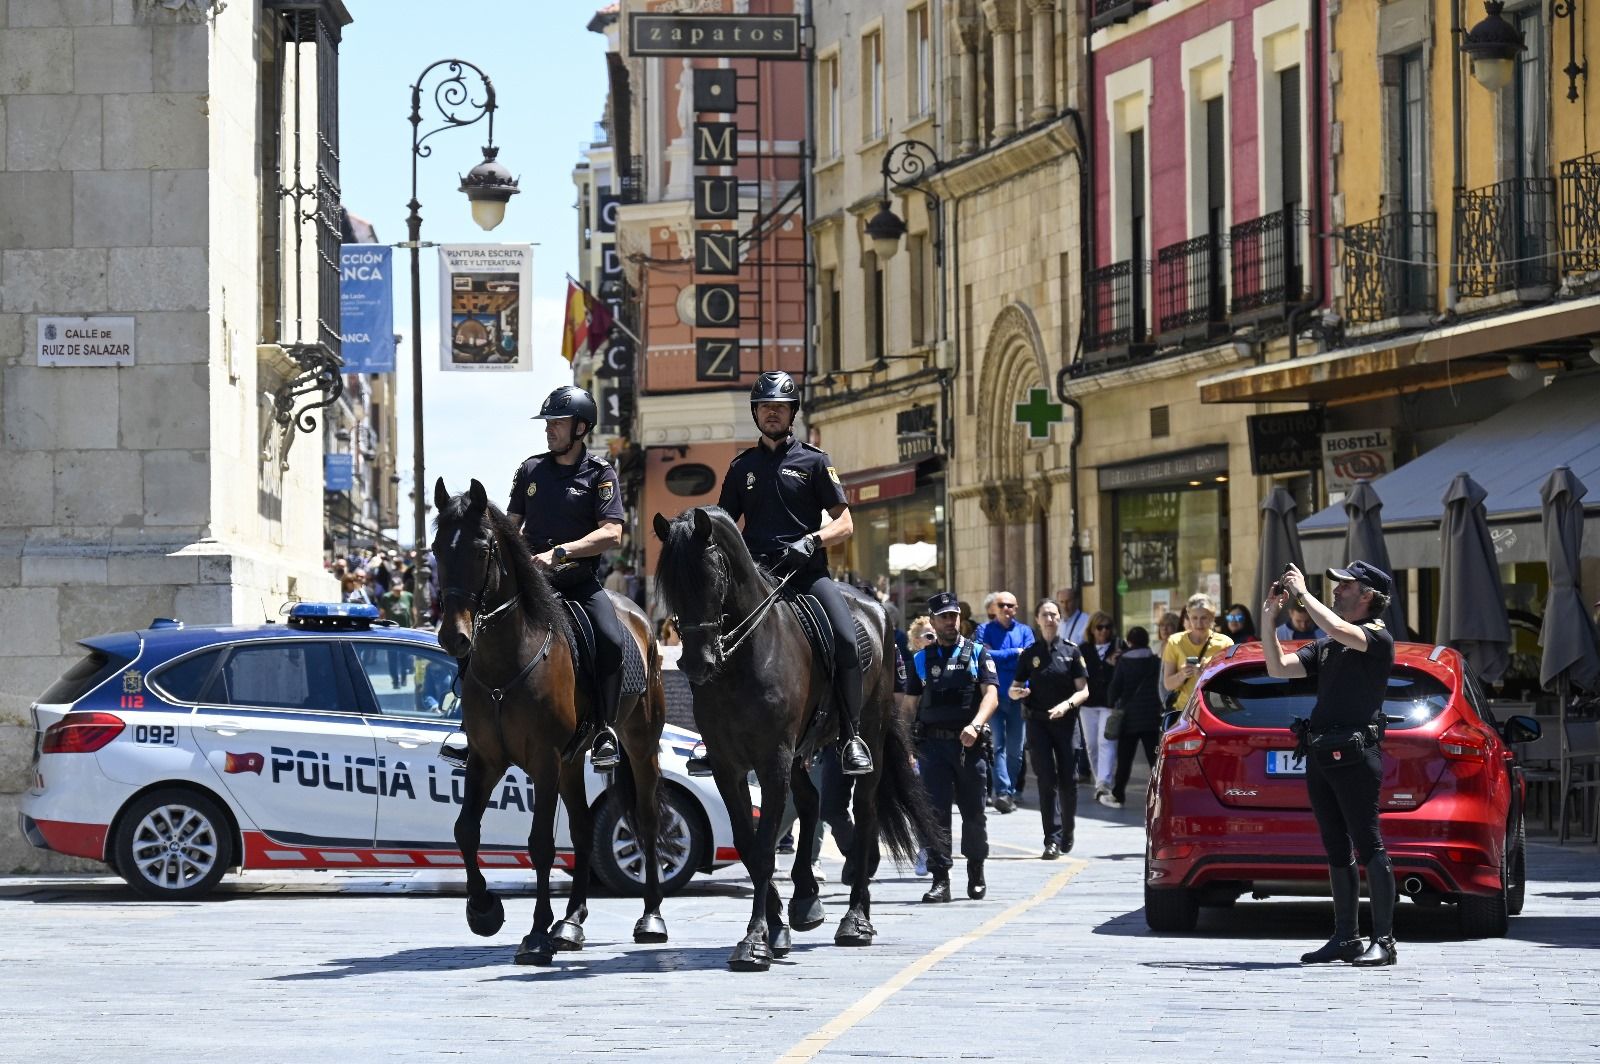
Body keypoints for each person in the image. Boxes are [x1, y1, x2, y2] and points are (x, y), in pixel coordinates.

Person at [716, 370, 872, 776]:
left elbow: (846, 523)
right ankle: (710, 736)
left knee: (845, 640)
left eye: (780, 408)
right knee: (711, 643)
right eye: (765, 407)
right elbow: (724, 527)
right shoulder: (740, 467)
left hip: (805, 576)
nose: (772, 413)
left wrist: (813, 541)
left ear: (792, 414)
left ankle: (852, 735)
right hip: (756, 578)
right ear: (756, 413)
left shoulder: (815, 462)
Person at [1262, 560, 1399, 968]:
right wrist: (1269, 621)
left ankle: (1385, 941)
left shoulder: (1375, 636)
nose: (1336, 591)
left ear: (1367, 596)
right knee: (1336, 848)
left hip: (1357, 756)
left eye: (1345, 586)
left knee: (1368, 842)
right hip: (1321, 754)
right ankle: (1346, 937)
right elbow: (1277, 667)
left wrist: (1304, 594)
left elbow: (1340, 629)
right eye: (1335, 587)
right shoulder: (1329, 645)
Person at [507, 385, 627, 770]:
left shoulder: (600, 473)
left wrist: (561, 552)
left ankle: (605, 730)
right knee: (482, 629)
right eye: (548, 423)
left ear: (580, 428)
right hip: (533, 584)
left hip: (578, 583)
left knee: (610, 638)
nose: (549, 430)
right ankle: (470, 727)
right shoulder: (529, 470)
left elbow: (612, 533)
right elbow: (511, 528)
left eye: (557, 422)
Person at [905, 591, 998, 902]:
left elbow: (991, 696)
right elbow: (909, 705)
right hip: (933, 747)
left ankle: (976, 870)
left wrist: (977, 724)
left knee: (974, 814)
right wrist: (906, 743)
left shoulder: (977, 653)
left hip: (967, 746)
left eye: (954, 616)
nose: (950, 621)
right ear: (933, 620)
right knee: (935, 815)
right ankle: (940, 878)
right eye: (944, 616)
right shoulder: (921, 659)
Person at [1010, 599, 1089, 858]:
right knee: (1046, 780)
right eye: (1045, 615)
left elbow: (1084, 690)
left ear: (1060, 619)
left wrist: (1066, 706)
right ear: (1037, 619)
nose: (1050, 619)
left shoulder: (1072, 651)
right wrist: (1016, 692)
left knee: (1069, 779)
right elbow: (1015, 687)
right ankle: (1051, 839)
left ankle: (1067, 830)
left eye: (1054, 615)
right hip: (1038, 722)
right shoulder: (1029, 653)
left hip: (1066, 722)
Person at [975, 589, 1034, 813]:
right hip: (994, 695)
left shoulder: (1025, 631)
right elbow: (984, 656)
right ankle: (1003, 792)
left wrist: (1000, 655)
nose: (1006, 609)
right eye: (1001, 605)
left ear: (1016, 608)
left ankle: (1007, 790)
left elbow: (1028, 657)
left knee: (1016, 750)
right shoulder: (984, 630)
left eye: (1010, 605)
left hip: (1018, 695)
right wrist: (1013, 653)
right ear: (994, 609)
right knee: (996, 745)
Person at [1105, 626, 1164, 808]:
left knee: (1125, 760)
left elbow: (1115, 687)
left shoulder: (1123, 661)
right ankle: (1162, 795)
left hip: (1128, 719)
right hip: (1151, 718)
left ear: (1129, 642)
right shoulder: (1155, 661)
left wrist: (1111, 702)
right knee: (1155, 760)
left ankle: (1118, 794)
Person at [1161, 593, 1233, 710]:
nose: (1199, 623)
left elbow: (1230, 682)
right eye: (1194, 618)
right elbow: (1168, 685)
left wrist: (1207, 675)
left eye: (1204, 618)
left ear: (1212, 616)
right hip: (1183, 711)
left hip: (1215, 709)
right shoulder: (1175, 642)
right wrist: (1183, 674)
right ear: (1188, 616)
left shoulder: (1225, 643)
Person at [1078, 610, 1121, 801]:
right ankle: (1099, 781)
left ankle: (1104, 782)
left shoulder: (1119, 647)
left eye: (1107, 627)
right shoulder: (1083, 649)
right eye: (1099, 627)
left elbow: (1125, 673)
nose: (1104, 631)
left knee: (1106, 741)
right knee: (1092, 745)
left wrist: (1115, 664)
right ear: (1092, 629)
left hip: (1109, 703)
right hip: (1088, 703)